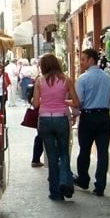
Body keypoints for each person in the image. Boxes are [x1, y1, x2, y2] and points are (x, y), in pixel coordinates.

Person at [33, 53, 80, 201]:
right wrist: (64, 102)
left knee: (51, 156)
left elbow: (35, 104)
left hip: (45, 120)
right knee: (64, 152)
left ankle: (55, 192)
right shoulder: (67, 80)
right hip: (61, 119)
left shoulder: (39, 82)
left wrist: (44, 99)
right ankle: (65, 181)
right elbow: (77, 102)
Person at [73, 48, 110, 196]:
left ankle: (83, 179)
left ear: (91, 60)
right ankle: (100, 185)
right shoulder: (108, 78)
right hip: (104, 117)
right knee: (103, 152)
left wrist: (73, 111)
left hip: (88, 117)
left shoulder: (82, 79)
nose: (81, 62)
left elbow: (78, 102)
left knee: (84, 150)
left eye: (83, 59)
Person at [25, 82, 44, 167]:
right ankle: (36, 159)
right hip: (41, 117)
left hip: (41, 117)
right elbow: (34, 102)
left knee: (40, 137)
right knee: (40, 137)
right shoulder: (41, 84)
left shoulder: (40, 82)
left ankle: (36, 159)